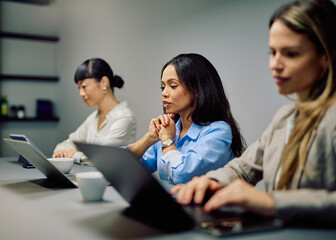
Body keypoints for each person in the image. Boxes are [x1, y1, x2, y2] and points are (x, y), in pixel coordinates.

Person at [171, 0, 336, 224]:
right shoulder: (285, 117)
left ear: (326, 56)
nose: (275, 64)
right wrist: (213, 182)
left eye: (291, 53)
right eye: (273, 52)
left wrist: (271, 202)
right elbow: (243, 168)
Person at [127, 53, 245, 184]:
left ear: (197, 90)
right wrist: (149, 139)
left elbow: (183, 174)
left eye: (172, 86)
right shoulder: (171, 130)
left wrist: (167, 141)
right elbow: (122, 169)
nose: (164, 93)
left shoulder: (219, 132)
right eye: (162, 86)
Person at [53, 58, 136, 163]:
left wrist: (73, 154)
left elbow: (102, 157)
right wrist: (62, 152)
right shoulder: (93, 118)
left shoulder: (124, 117)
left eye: (84, 86)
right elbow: (64, 145)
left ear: (104, 82)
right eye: (79, 88)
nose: (81, 93)